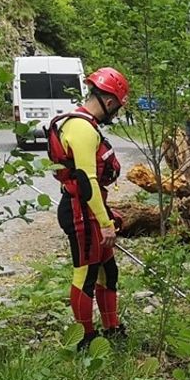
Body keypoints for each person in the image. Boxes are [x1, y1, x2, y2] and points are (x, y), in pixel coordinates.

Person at [46, 67, 129, 351]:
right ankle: (85, 338)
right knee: (86, 274)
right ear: (109, 102)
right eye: (117, 106)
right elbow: (86, 180)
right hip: (81, 211)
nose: (116, 112)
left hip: (89, 209)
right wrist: (105, 223)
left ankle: (112, 327)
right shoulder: (81, 128)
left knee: (109, 271)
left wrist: (106, 216)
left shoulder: (82, 123)